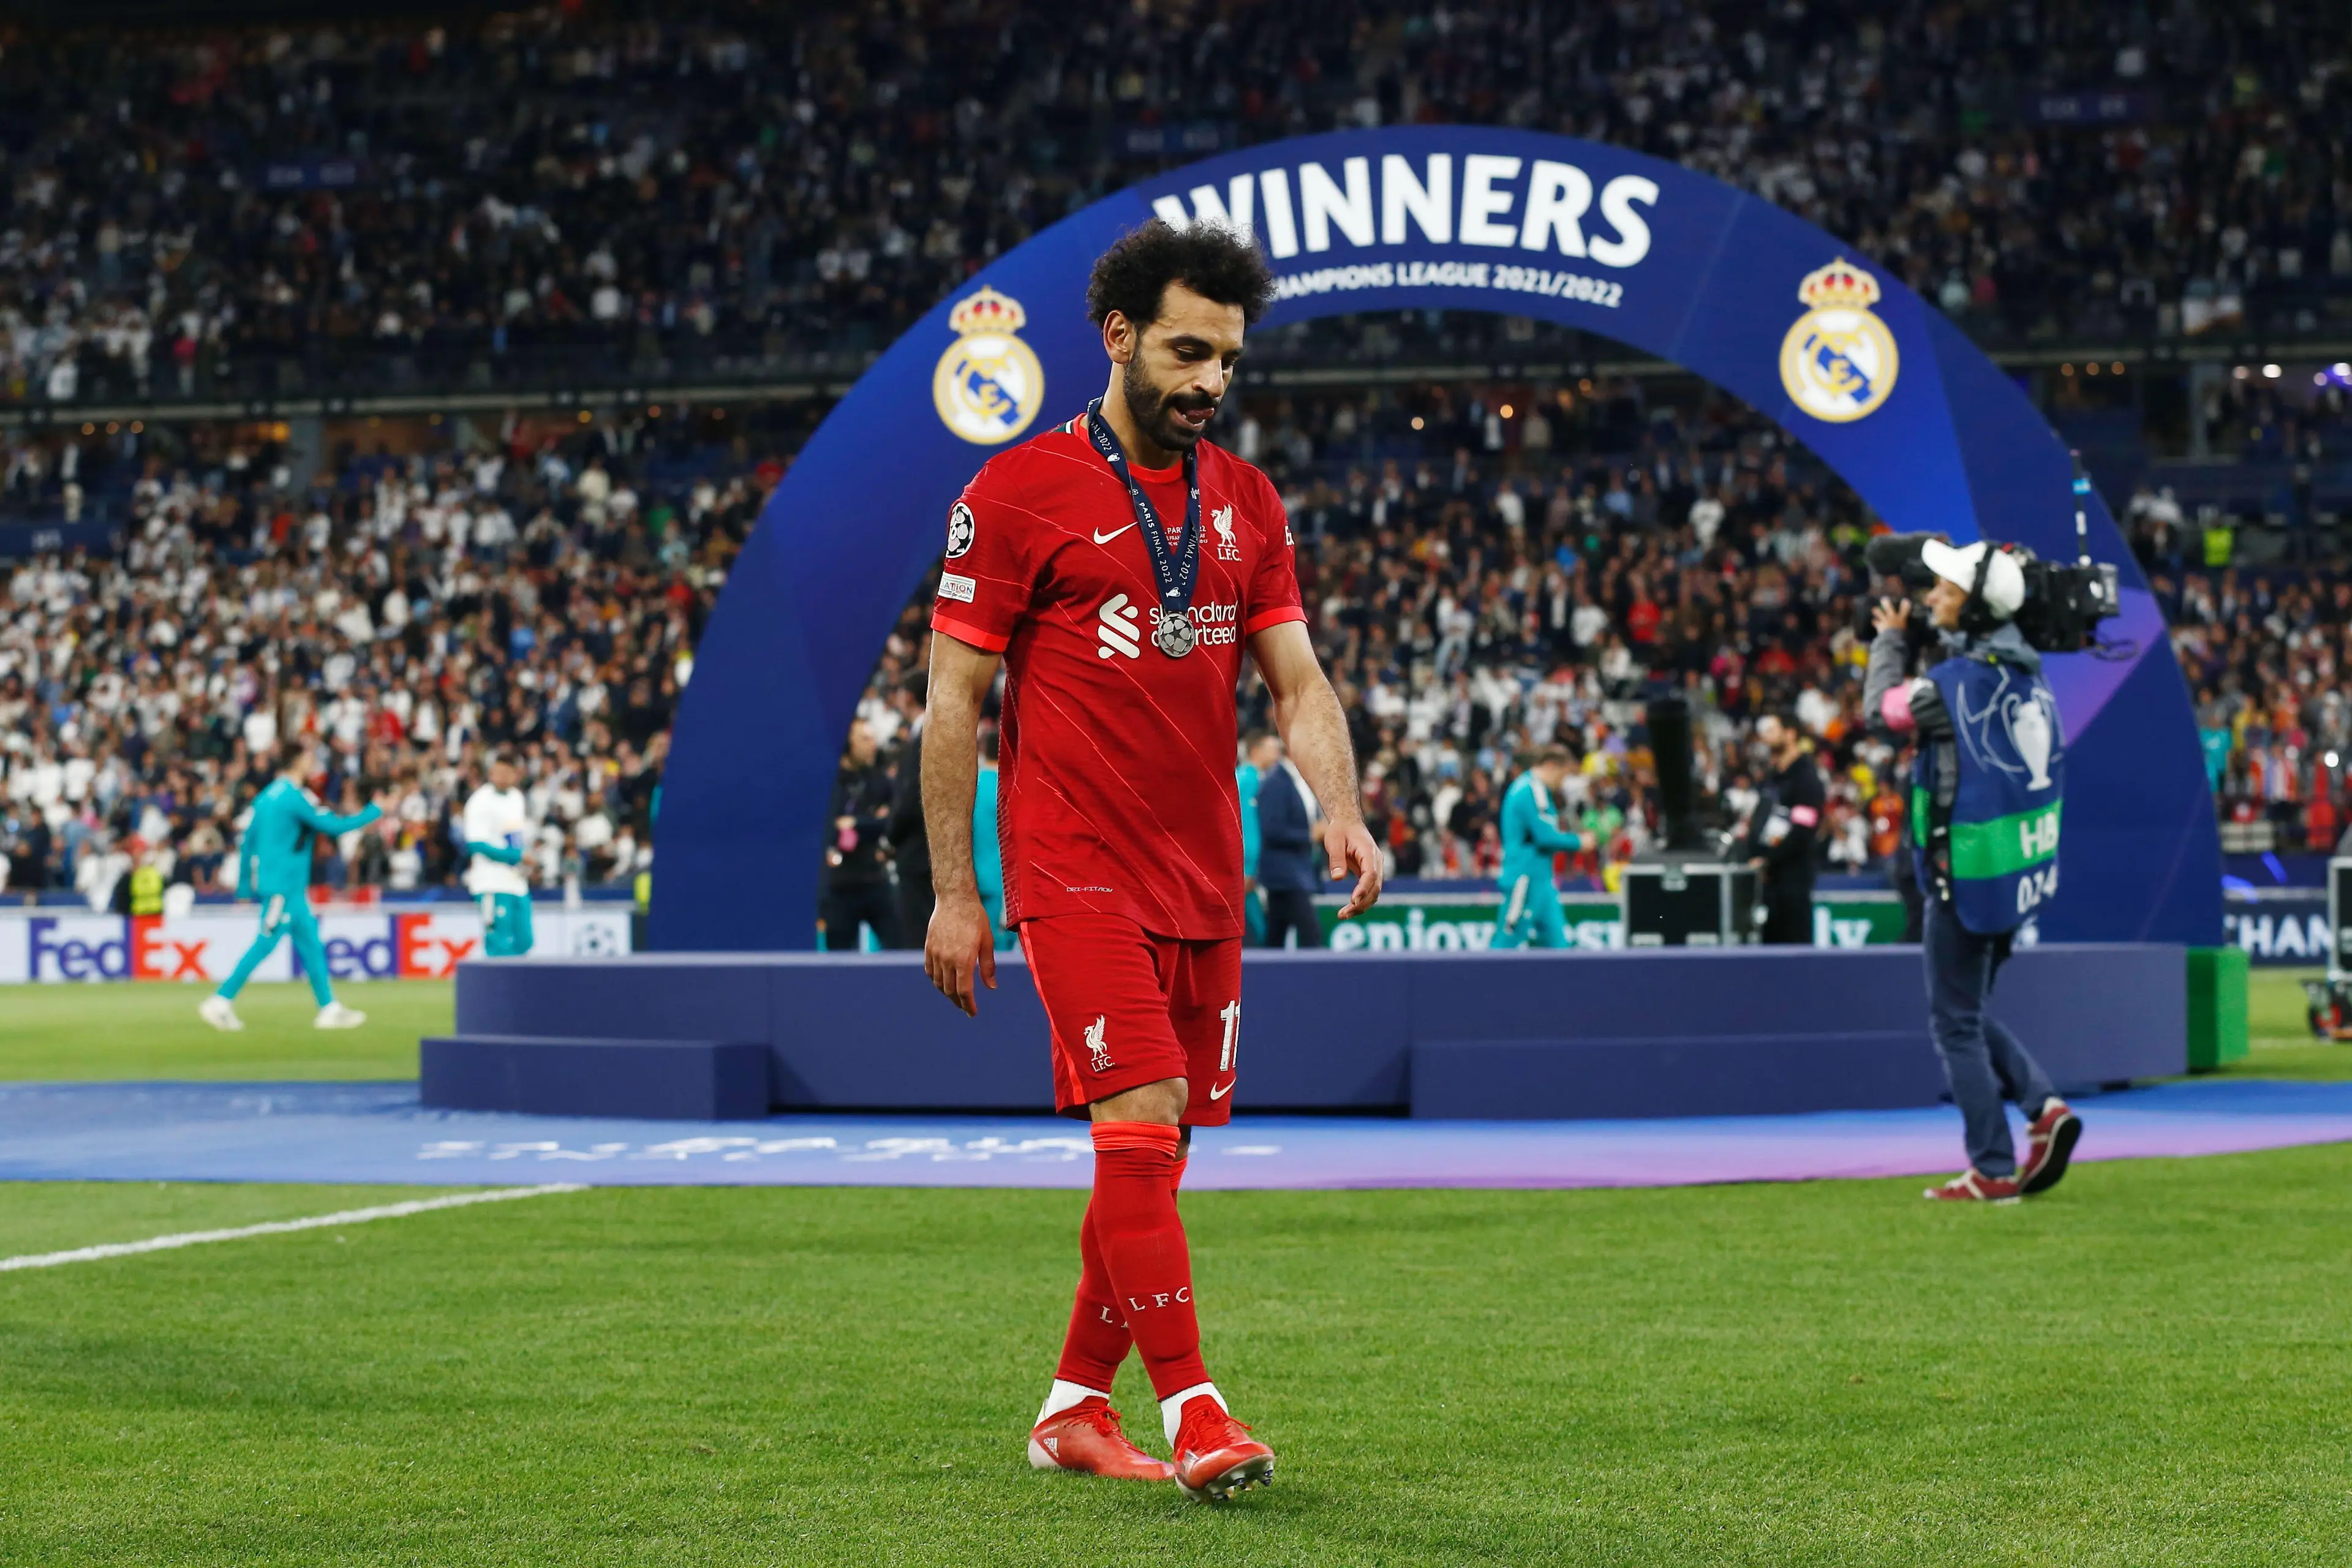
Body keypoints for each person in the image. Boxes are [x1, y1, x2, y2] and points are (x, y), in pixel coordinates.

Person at [919, 220, 1381, 1501]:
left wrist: (1337, 802)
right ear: (1117, 336)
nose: (1211, 384)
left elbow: (1298, 678)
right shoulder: (1012, 494)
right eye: (1188, 352)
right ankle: (1197, 1410)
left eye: (1229, 359)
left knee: (1159, 1155)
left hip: (1203, 875)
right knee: (1139, 1121)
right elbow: (952, 703)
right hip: (1070, 863)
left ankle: (1075, 1405)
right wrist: (960, 890)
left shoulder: (1246, 501)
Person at [1864, 540, 2081, 1203]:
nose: (1931, 598)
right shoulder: (2027, 674)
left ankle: (1991, 1167)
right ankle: (2044, 1108)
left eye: (1946, 592)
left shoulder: (1952, 685)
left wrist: (1891, 643)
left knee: (1952, 1021)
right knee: (1968, 1006)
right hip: (2011, 876)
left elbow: (1881, 712)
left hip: (1963, 873)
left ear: (1979, 610)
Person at [198, 747, 384, 1031]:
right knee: (266, 942)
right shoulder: (291, 797)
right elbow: (330, 827)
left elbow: (248, 842)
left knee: (311, 943)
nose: (313, 762)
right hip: (282, 887)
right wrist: (372, 813)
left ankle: (329, 1008)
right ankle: (220, 1000)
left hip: (290, 887)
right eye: (310, 757)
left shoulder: (268, 796)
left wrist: (245, 885)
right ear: (297, 761)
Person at [1743, 713, 1825, 944]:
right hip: (1768, 884)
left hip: (1793, 882)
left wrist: (1769, 860)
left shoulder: (1806, 779)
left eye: (1772, 730)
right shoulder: (1771, 779)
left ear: (1790, 734)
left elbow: (1802, 832)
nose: (1765, 737)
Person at [1494, 745, 1581, 949]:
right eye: (1563, 775)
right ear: (1551, 766)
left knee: (1559, 945)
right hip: (1525, 879)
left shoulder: (1533, 790)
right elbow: (1545, 837)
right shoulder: (1531, 790)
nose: (1562, 783)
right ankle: (1484, 981)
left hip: (1541, 880)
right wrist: (1579, 842)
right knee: (1507, 943)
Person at [821, 720, 899, 950]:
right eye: (865, 739)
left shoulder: (878, 780)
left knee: (901, 945)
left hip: (875, 880)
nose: (872, 745)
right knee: (839, 959)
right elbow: (830, 827)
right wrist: (871, 820)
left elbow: (890, 821)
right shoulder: (832, 782)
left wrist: (857, 823)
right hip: (840, 887)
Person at [462, 750, 535, 957]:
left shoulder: (516, 798)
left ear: (516, 774)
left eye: (506, 772)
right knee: (499, 943)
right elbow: (476, 845)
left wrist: (523, 861)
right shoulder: (480, 801)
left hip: (516, 881)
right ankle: (500, 989)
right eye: (497, 772)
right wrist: (516, 856)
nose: (500, 777)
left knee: (525, 940)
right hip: (491, 881)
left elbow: (514, 837)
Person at [1254, 736, 1324, 948]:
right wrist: (1310, 835)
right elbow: (1272, 829)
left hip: (1294, 872)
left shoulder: (1294, 780)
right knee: (1312, 936)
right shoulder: (1276, 782)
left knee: (1275, 937)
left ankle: (1267, 980)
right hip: (1286, 876)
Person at [886, 669, 934, 948]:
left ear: (908, 696)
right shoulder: (924, 734)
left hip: (915, 854)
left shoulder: (924, 736)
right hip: (924, 852)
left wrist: (889, 836)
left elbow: (911, 797)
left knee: (917, 934)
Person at [971, 728, 1017, 951]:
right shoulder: (1009, 789)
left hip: (974, 879)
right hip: (1004, 882)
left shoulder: (972, 787)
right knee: (1000, 955)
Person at [1237, 731, 1278, 946]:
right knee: (1255, 933)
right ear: (1256, 751)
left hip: (1246, 867)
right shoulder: (1248, 780)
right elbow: (1247, 826)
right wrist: (1249, 868)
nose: (1277, 755)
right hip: (1245, 869)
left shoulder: (1250, 778)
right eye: (1272, 750)